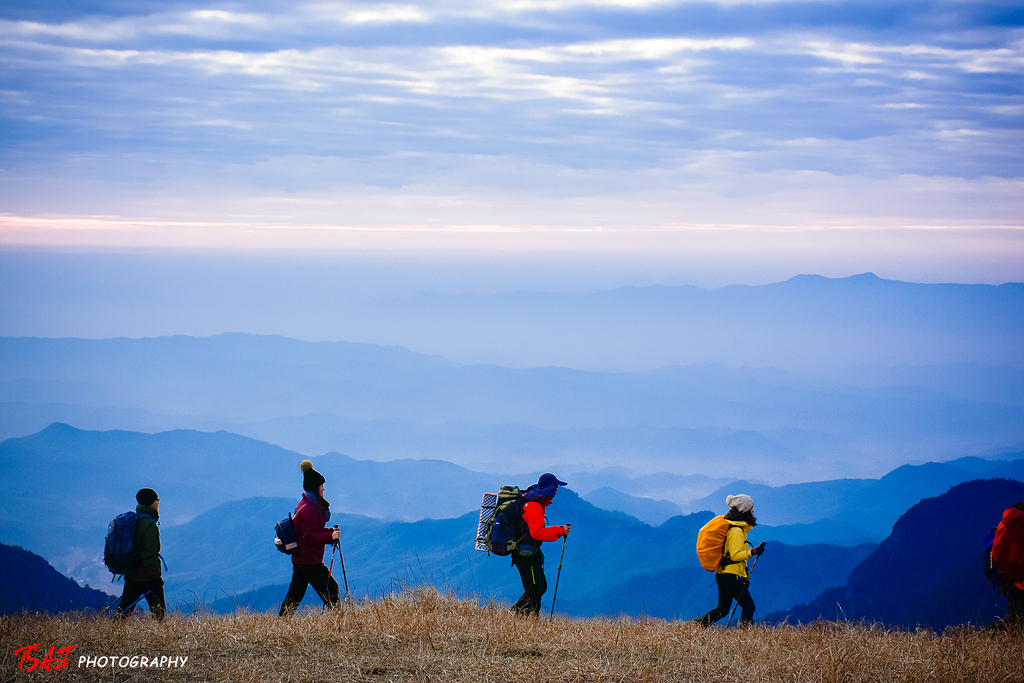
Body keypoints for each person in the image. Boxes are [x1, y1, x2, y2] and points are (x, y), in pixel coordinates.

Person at [279, 460, 342, 616]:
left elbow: (311, 530)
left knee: (294, 596)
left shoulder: (305, 503)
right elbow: (308, 536)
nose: (324, 488)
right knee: (331, 590)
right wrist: (330, 537)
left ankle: (281, 622)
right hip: (309, 561)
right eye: (322, 486)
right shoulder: (310, 509)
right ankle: (339, 622)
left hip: (301, 559)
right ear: (316, 487)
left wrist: (329, 532)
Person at [697, 494, 765, 628]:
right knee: (749, 606)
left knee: (722, 609)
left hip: (724, 574)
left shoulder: (734, 527)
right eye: (751, 509)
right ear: (744, 510)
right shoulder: (736, 530)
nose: (752, 512)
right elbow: (735, 556)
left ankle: (697, 626)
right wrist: (753, 552)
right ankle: (745, 637)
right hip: (730, 576)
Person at [511, 473, 571, 616]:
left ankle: (520, 616)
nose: (556, 491)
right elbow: (536, 533)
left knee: (538, 587)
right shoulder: (534, 507)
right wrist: (560, 530)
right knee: (535, 589)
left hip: (526, 552)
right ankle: (522, 617)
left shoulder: (532, 502)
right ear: (549, 488)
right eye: (555, 488)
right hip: (525, 554)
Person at [114, 488, 166, 620]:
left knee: (123, 611)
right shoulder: (149, 525)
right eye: (157, 500)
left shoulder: (134, 520)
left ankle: (112, 633)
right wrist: (156, 576)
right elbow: (150, 554)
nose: (158, 503)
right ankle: (161, 638)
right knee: (159, 613)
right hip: (148, 577)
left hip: (131, 572)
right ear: (152, 502)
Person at [993, 501, 1024, 628]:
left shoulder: (1005, 525)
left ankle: (990, 634)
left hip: (1005, 578)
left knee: (1017, 615)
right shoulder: (1021, 527)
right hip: (1020, 578)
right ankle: (990, 633)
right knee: (1019, 619)